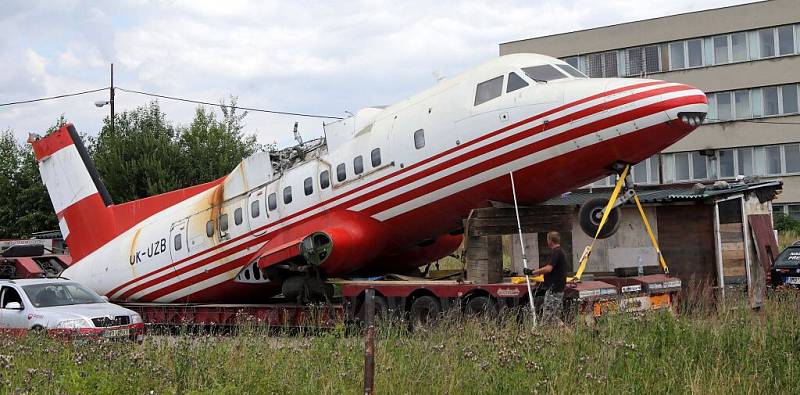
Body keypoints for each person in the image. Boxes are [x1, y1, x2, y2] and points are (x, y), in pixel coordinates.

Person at [523, 231, 567, 325]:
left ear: (550, 241)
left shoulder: (556, 252)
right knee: (554, 317)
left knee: (548, 317)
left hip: (553, 290)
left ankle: (545, 335)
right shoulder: (560, 251)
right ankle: (568, 336)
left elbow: (548, 268)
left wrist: (532, 272)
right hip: (558, 289)